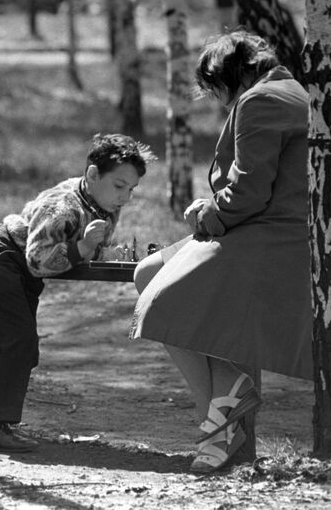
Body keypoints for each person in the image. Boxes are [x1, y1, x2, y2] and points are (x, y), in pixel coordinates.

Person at [129, 31, 313, 473]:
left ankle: (221, 423)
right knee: (147, 271)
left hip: (268, 238)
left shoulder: (260, 100)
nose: (221, 103)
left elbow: (249, 192)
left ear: (232, 74)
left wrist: (206, 211)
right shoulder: (288, 91)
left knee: (161, 300)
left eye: (216, 91)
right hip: (257, 230)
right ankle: (220, 412)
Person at [0, 133, 155, 453]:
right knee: (17, 344)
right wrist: (83, 248)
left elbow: (89, 249)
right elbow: (38, 259)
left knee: (18, 348)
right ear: (93, 175)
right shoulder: (62, 205)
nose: (126, 197)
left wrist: (103, 252)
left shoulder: (103, 203)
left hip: (17, 272)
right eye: (119, 186)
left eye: (131, 190)